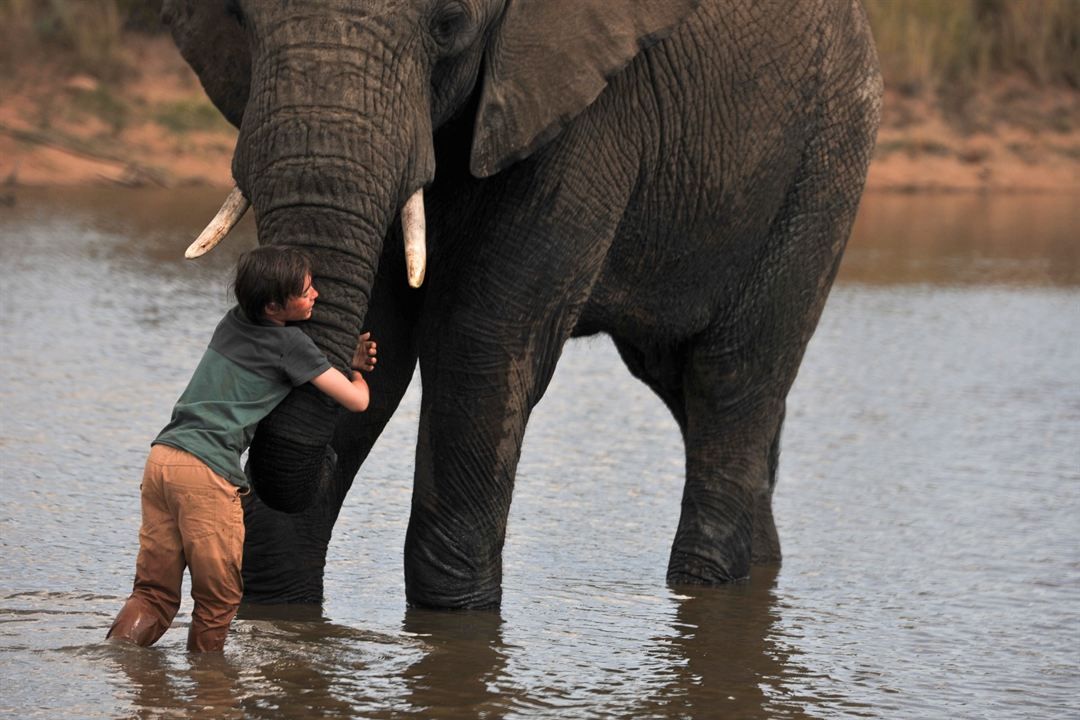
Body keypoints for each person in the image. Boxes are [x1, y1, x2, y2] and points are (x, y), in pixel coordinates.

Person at [106, 245, 376, 652]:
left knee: (152, 594)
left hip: (162, 458)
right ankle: (212, 693)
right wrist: (354, 369)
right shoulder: (293, 346)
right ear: (272, 305)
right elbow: (356, 401)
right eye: (306, 292)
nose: (316, 296)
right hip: (206, 473)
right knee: (219, 601)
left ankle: (117, 663)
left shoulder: (231, 322)